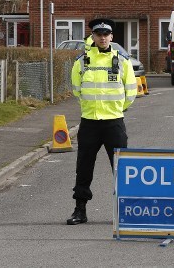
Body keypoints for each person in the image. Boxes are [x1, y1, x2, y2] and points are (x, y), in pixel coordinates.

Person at [67, 18, 138, 225]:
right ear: (93, 37)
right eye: (99, 34)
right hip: (89, 122)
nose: (103, 38)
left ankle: (127, 211)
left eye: (106, 34)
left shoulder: (122, 61)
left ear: (111, 37)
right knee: (84, 168)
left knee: (122, 168)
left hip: (114, 122)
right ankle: (80, 210)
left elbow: (131, 91)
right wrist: (91, 108)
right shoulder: (82, 61)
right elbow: (77, 89)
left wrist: (116, 109)